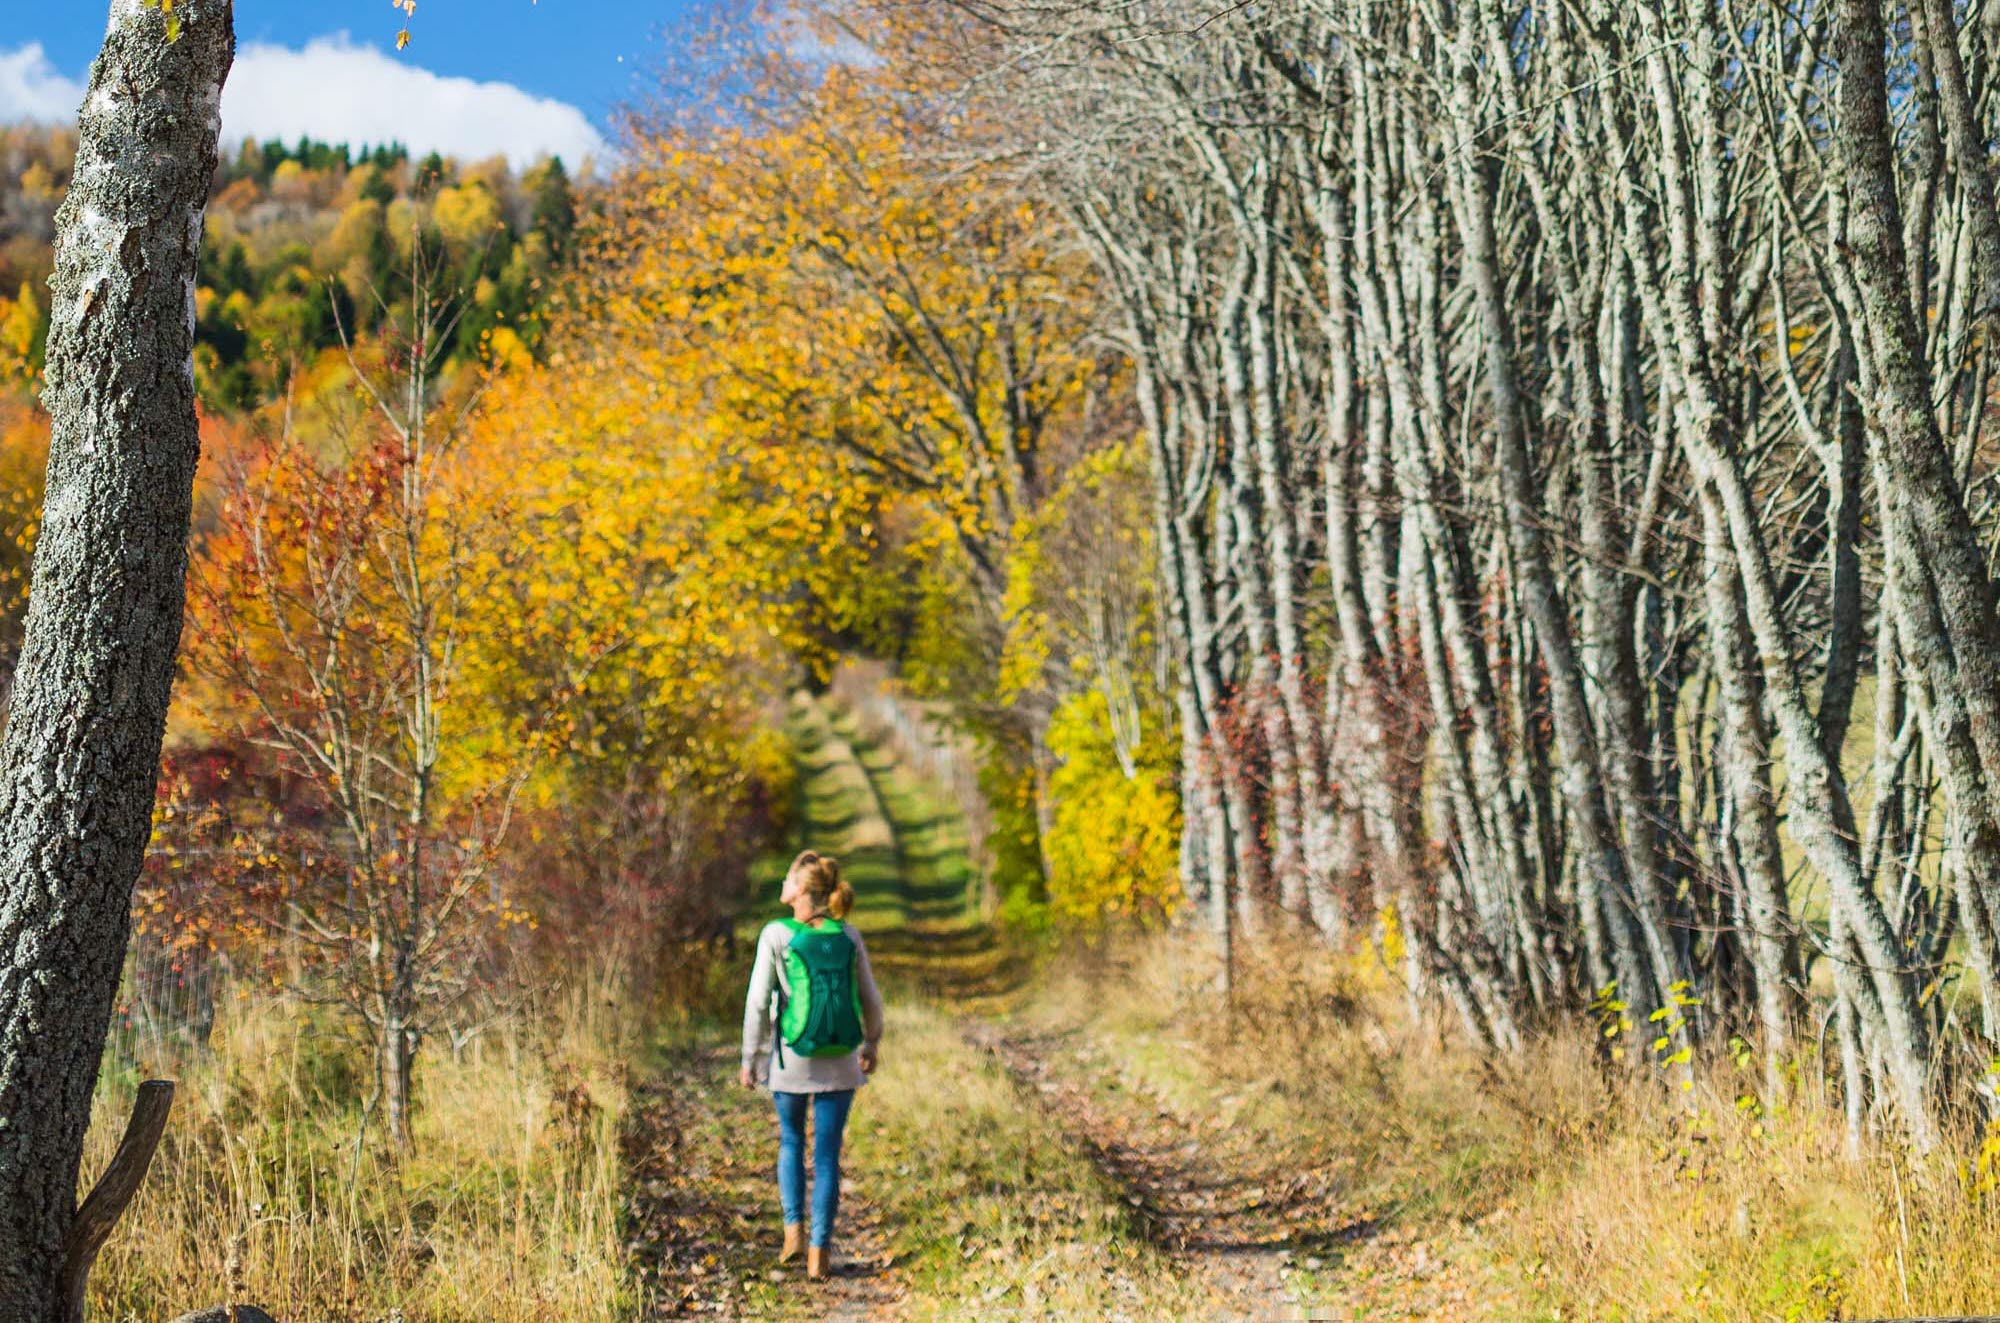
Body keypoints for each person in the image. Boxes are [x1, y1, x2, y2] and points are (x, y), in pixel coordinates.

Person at [740, 849, 885, 1280]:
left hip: (791, 1061)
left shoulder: (776, 935)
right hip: (841, 1063)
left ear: (801, 889)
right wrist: (871, 1041)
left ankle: (792, 1233)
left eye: (787, 880)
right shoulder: (848, 936)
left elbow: (756, 1002)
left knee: (790, 1142)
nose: (782, 887)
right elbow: (871, 998)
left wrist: (750, 1057)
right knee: (827, 1157)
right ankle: (820, 1252)